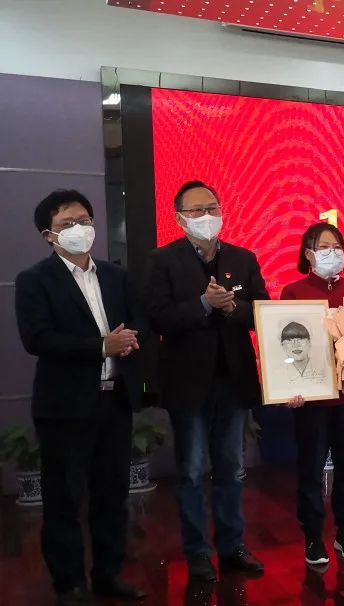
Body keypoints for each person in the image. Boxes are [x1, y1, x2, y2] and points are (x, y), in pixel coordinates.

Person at [14, 190, 147, 605]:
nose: (80, 229)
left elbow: (138, 319)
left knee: (112, 495)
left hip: (114, 401)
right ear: (49, 235)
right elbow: (37, 338)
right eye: (68, 223)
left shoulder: (115, 275)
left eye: (85, 220)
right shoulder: (35, 280)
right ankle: (69, 584)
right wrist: (101, 347)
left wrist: (131, 340)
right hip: (65, 407)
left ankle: (108, 574)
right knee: (64, 500)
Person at [142, 181, 267, 583]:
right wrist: (202, 305)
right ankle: (198, 552)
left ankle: (232, 548)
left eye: (211, 207)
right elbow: (157, 317)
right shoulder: (162, 261)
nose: (206, 216)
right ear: (179, 219)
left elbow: (263, 312)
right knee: (193, 471)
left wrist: (231, 308)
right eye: (196, 210)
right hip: (188, 382)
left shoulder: (243, 258)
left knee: (231, 468)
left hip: (234, 380)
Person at [279, 222, 344, 566]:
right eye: (324, 247)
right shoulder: (294, 292)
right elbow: (283, 345)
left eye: (337, 246)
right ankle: (312, 536)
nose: (332, 253)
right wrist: (288, 386)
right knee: (310, 470)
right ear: (308, 254)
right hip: (311, 399)